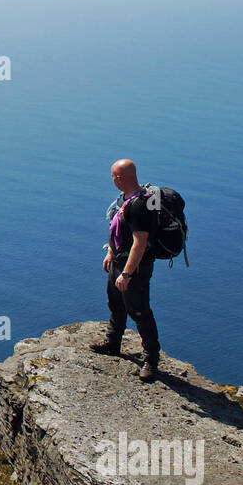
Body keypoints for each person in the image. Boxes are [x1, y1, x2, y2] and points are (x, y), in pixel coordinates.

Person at [91, 159, 161, 381]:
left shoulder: (140, 206)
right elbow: (117, 229)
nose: (112, 180)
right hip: (119, 261)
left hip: (135, 268)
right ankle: (113, 343)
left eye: (113, 176)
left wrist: (127, 274)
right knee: (116, 303)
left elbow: (140, 243)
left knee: (139, 311)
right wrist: (111, 253)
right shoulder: (125, 200)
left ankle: (151, 359)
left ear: (119, 178)